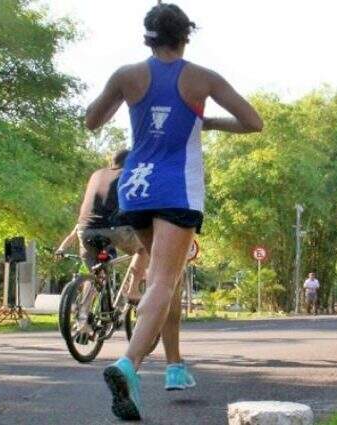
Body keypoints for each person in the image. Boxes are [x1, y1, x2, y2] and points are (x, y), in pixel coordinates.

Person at [85, 3, 263, 420]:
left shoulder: (127, 75)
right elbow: (253, 122)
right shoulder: (202, 78)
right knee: (163, 280)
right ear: (186, 35)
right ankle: (127, 365)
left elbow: (92, 120)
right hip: (177, 188)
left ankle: (176, 366)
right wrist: (207, 122)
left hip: (136, 188)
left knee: (165, 279)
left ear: (148, 36)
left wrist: (130, 106)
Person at [55, 150, 149, 315]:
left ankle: (84, 319)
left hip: (85, 230)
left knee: (96, 274)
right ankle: (133, 291)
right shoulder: (129, 174)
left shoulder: (96, 174)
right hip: (114, 228)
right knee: (144, 249)